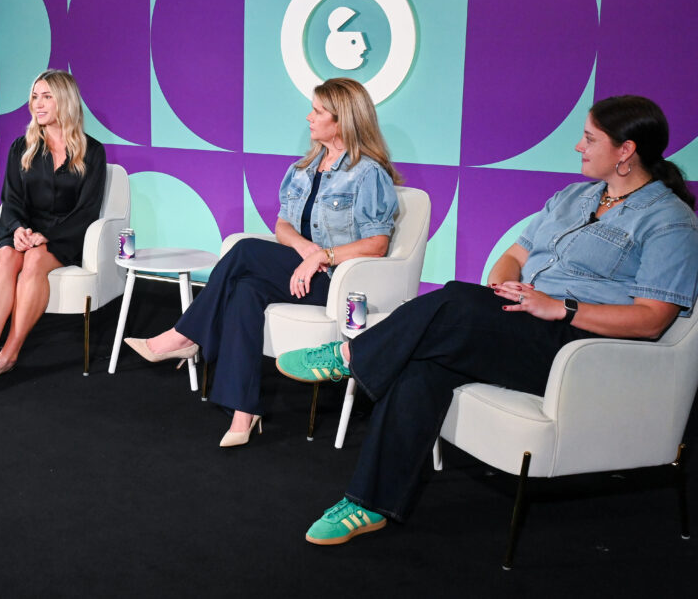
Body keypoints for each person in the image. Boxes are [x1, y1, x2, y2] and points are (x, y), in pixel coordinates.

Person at [276, 95, 698, 544]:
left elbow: (651, 320)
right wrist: (502, 286)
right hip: (524, 321)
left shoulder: (669, 221)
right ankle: (368, 504)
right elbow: (514, 255)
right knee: (422, 365)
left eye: (590, 138)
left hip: (579, 349)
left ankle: (348, 355)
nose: (579, 146)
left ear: (626, 150)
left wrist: (562, 308)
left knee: (456, 298)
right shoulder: (573, 197)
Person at [126, 78, 402, 446]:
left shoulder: (368, 174)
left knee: (244, 251)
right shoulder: (303, 169)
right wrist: (306, 250)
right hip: (304, 272)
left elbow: (378, 243)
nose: (309, 117)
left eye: (318, 112)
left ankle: (184, 335)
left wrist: (323, 256)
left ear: (343, 121)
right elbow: (282, 225)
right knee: (246, 290)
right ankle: (244, 412)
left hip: (340, 283)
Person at [0, 70, 107, 400]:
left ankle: (9, 354)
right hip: (22, 227)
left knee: (36, 260)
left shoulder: (93, 152)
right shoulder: (21, 147)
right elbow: (11, 200)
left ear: (65, 101)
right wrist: (18, 230)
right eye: (35, 97)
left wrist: (46, 236)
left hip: (65, 234)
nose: (38, 104)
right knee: (7, 256)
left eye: (47, 97)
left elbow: (87, 211)